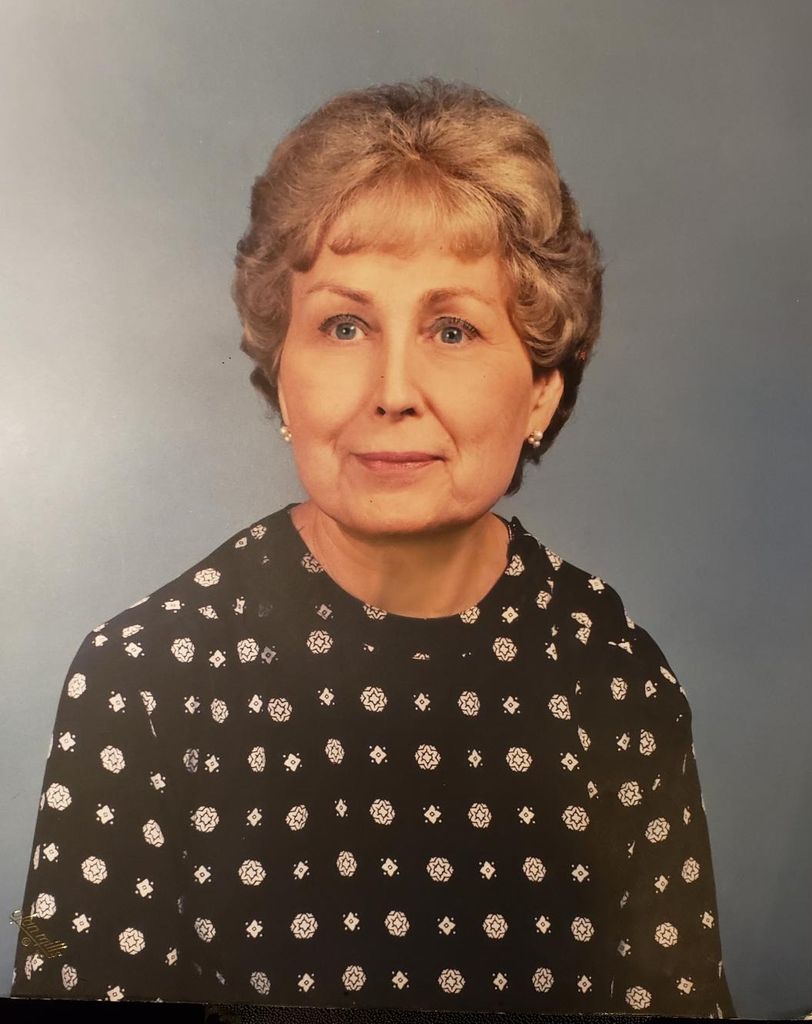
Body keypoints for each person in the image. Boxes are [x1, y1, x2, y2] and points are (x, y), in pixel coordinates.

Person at [10, 77, 735, 1016]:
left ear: (541, 391)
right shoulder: (147, 680)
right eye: (344, 325)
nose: (393, 390)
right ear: (281, 368)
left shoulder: (614, 680)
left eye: (452, 329)